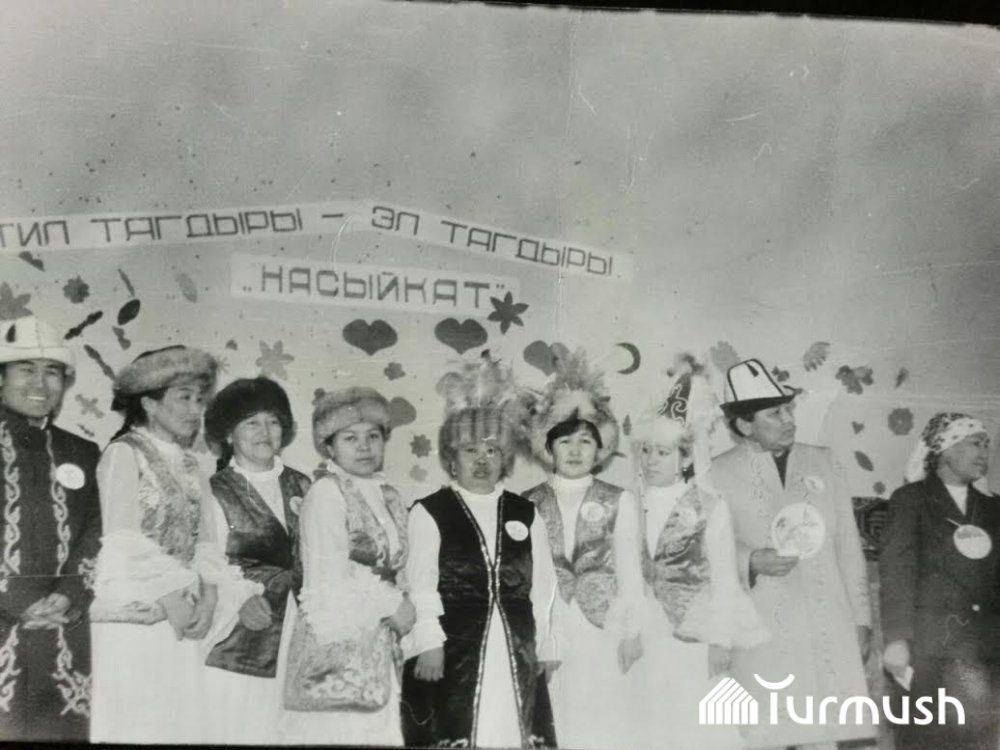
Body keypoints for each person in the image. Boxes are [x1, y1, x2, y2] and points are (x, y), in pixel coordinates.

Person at [90, 345, 260, 744]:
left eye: (199, 400)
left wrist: (209, 599)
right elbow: (121, 539)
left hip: (184, 618)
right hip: (134, 618)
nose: (194, 410)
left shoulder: (191, 465)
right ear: (149, 403)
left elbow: (207, 543)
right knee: (136, 724)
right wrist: (172, 599)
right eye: (183, 398)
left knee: (178, 725)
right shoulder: (122, 454)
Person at [710, 358, 873, 750]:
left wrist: (862, 619)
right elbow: (705, 548)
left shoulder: (824, 461)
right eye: (775, 413)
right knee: (764, 734)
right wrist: (749, 560)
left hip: (826, 625)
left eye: (788, 409)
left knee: (824, 735)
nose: (789, 420)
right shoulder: (717, 473)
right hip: (760, 630)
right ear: (744, 425)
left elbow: (848, 546)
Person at [402, 354, 559, 748]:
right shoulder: (430, 511)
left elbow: (543, 587)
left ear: (505, 458)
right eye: (471, 450)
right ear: (451, 458)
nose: (482, 461)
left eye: (492, 451)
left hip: (517, 647)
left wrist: (545, 643)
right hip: (454, 650)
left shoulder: (525, 512)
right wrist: (429, 642)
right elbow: (420, 584)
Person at [630, 357, 768, 750]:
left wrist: (720, 640)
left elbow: (724, 577)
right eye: (647, 451)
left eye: (663, 452)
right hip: (648, 631)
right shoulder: (631, 503)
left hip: (695, 633)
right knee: (652, 724)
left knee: (697, 726)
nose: (651, 460)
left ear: (686, 457)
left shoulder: (709, 505)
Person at [522, 348, 645, 750]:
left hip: (605, 623)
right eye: (565, 441)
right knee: (559, 715)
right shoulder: (527, 503)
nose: (575, 451)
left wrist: (632, 632)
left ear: (601, 448)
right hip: (551, 628)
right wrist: (538, 636)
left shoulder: (618, 499)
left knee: (607, 714)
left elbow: (630, 572)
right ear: (548, 447)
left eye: (585, 441)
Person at [278, 386, 414, 746]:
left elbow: (398, 569)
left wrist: (404, 605)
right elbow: (326, 583)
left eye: (373, 436)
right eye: (350, 438)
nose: (364, 447)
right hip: (338, 640)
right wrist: (392, 605)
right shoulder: (326, 493)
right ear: (329, 447)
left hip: (381, 643)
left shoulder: (389, 496)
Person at [0, 316, 101, 741]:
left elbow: (97, 531)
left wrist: (70, 593)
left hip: (63, 634)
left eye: (52, 371)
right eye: (26, 369)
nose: (40, 383)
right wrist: (14, 599)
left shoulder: (83, 451)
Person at [201, 377, 312, 744]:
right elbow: (208, 560)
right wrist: (240, 599)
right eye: (251, 422)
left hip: (300, 629)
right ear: (228, 434)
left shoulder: (305, 485)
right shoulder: (214, 490)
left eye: (273, 421)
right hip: (242, 629)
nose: (265, 432)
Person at [880, 412, 999, 750]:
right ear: (945, 450)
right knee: (925, 738)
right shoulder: (911, 500)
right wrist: (896, 639)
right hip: (928, 649)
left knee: (977, 738)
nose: (984, 453)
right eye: (975, 443)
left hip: (985, 651)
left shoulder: (993, 509)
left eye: (987, 445)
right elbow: (897, 571)